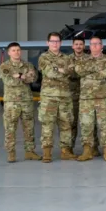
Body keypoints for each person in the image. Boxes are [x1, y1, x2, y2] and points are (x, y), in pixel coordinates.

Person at [75, 37, 106, 162]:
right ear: (89, 46)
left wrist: (89, 72)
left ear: (101, 46)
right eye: (92, 44)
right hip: (86, 98)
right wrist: (96, 70)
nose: (94, 46)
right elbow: (79, 71)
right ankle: (88, 151)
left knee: (105, 125)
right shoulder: (82, 59)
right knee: (86, 125)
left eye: (97, 44)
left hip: (103, 97)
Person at [37, 33, 76, 162]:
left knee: (66, 124)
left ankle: (65, 151)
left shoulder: (67, 58)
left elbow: (70, 72)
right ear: (47, 43)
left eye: (57, 41)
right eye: (52, 41)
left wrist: (58, 70)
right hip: (49, 97)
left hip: (65, 97)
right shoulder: (43, 57)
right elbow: (49, 72)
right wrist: (61, 71)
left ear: (61, 43)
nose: (55, 44)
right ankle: (47, 152)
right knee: (48, 125)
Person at [0, 42, 40, 162]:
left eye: (18, 50)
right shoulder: (4, 66)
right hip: (11, 102)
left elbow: (33, 78)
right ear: (9, 52)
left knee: (29, 127)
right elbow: (9, 81)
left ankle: (30, 151)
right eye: (13, 50)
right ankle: (11, 153)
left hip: (26, 101)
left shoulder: (27, 64)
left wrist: (18, 76)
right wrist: (23, 78)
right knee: (10, 128)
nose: (16, 52)